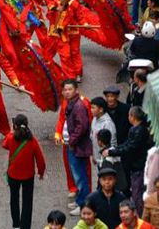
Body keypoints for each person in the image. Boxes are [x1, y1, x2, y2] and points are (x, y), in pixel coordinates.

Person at [104, 107, 151, 215]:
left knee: (137, 194)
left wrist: (113, 152)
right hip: (136, 165)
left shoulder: (138, 131)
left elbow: (130, 146)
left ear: (132, 117)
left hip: (138, 166)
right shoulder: (139, 129)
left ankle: (141, 217)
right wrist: (115, 150)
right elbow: (128, 144)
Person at [2, 113, 46, 229]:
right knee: (27, 201)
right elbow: (40, 159)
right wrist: (41, 172)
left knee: (14, 198)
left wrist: (11, 132)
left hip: (13, 174)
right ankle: (25, 226)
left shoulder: (11, 138)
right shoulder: (32, 140)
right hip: (28, 175)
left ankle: (16, 224)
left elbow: (4, 145)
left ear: (15, 125)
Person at [61, 80, 92, 217]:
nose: (67, 92)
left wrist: (72, 140)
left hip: (77, 147)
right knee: (77, 175)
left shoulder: (78, 106)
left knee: (80, 176)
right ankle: (80, 200)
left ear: (76, 90)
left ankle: (83, 205)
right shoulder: (71, 103)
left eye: (70, 89)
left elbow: (82, 126)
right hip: (73, 145)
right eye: (65, 90)